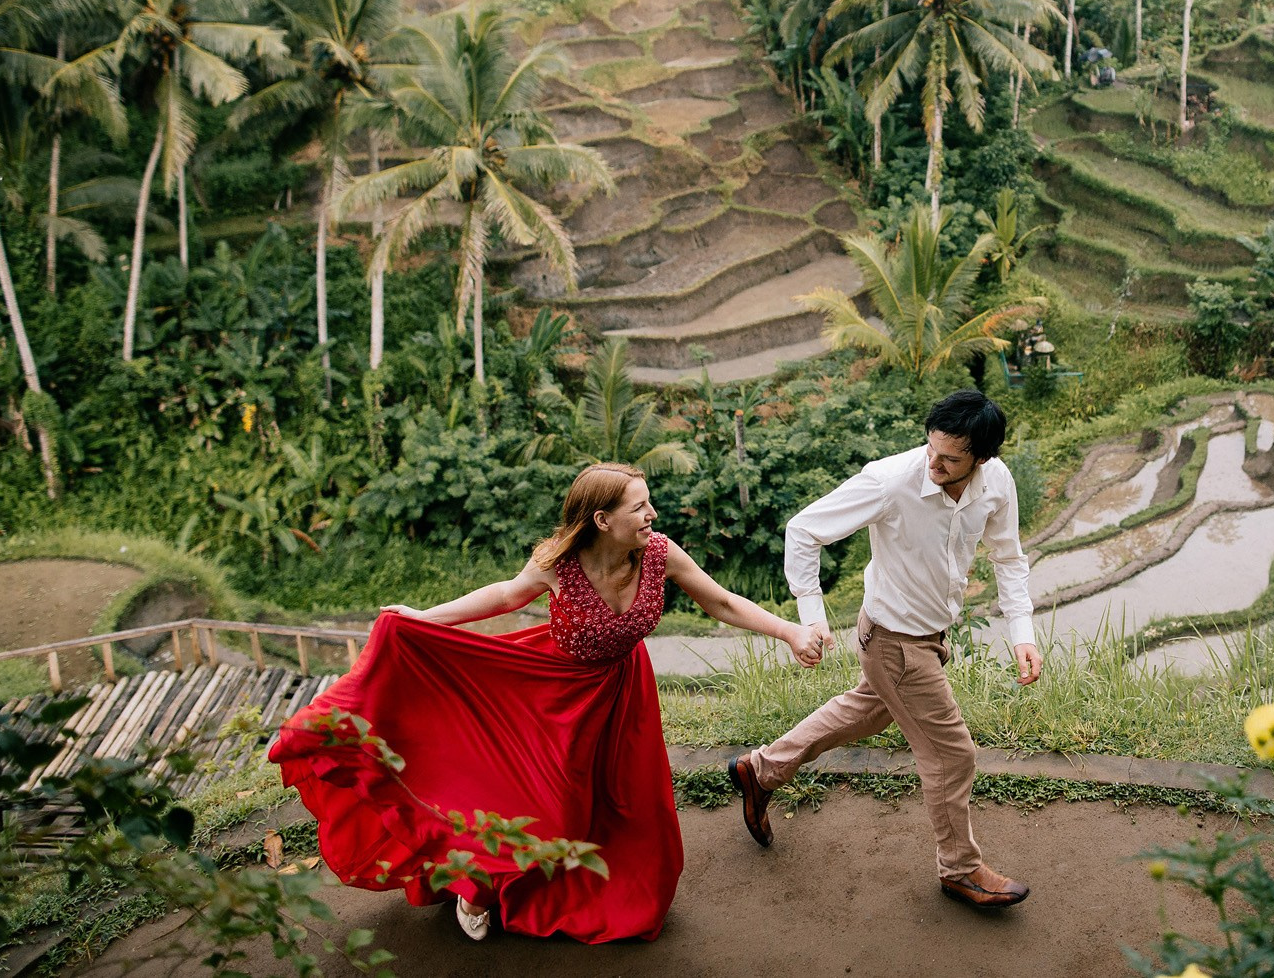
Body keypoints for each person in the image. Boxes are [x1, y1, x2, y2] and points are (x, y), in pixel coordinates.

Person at [268, 463, 827, 943]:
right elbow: (504, 596)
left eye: (650, 503)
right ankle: (475, 890)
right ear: (603, 521)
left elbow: (723, 602)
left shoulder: (658, 554)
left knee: (631, 810)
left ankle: (619, 897)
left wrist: (790, 633)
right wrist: (419, 618)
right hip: (548, 694)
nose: (653, 514)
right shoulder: (559, 563)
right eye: (640, 507)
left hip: (623, 695)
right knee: (546, 809)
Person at [725, 390, 1043, 909]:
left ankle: (761, 769)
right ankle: (961, 870)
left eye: (951, 459)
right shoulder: (891, 480)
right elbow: (804, 530)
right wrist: (812, 619)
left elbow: (1008, 558)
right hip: (895, 643)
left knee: (868, 711)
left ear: (981, 459)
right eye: (931, 449)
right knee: (951, 755)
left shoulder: (997, 483)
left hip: (924, 636)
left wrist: (1022, 633)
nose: (934, 464)